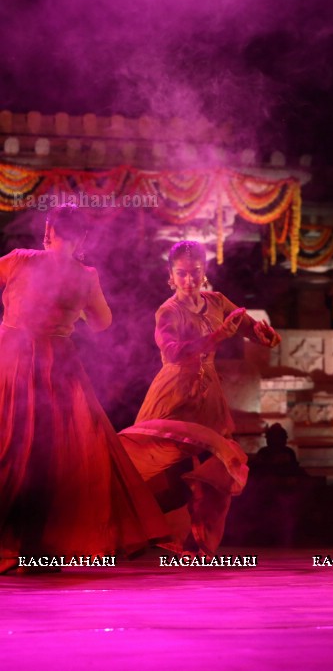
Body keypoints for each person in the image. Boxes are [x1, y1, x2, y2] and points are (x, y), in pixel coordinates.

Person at [0, 206, 167, 574]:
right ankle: (40, 551)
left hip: (10, 360)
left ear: (48, 231)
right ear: (84, 239)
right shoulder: (85, 276)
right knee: (54, 459)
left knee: (10, 448)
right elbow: (103, 323)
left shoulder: (17, 260)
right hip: (58, 366)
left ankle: (11, 545)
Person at [120, 240, 281, 557]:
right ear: (171, 275)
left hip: (208, 394)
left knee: (214, 466)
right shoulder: (169, 311)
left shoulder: (217, 301)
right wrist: (215, 338)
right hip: (175, 390)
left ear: (204, 272)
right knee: (170, 461)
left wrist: (266, 335)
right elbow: (172, 352)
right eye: (181, 274)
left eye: (195, 273)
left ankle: (201, 539)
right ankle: (162, 535)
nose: (189, 280)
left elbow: (247, 327)